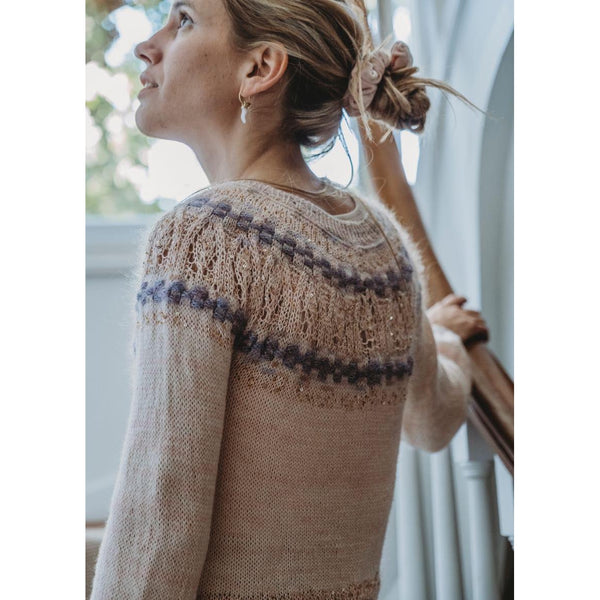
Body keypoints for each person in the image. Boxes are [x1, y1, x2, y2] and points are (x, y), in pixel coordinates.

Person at [89, 0, 489, 598]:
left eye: (183, 20)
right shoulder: (383, 246)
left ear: (260, 68)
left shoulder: (202, 239)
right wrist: (446, 337)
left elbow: (159, 514)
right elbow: (432, 419)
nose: (147, 46)